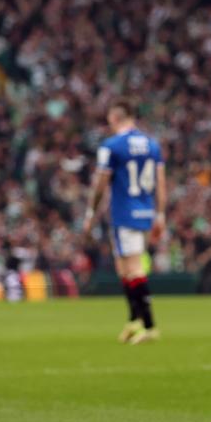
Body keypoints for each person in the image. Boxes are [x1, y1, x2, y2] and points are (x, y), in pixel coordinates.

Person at [82, 100, 166, 344]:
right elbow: (160, 183)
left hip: (124, 213)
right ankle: (133, 320)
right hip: (146, 211)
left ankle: (149, 326)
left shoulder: (112, 146)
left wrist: (90, 213)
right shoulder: (152, 145)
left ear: (115, 118)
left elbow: (100, 184)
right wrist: (160, 214)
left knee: (133, 268)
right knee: (123, 269)